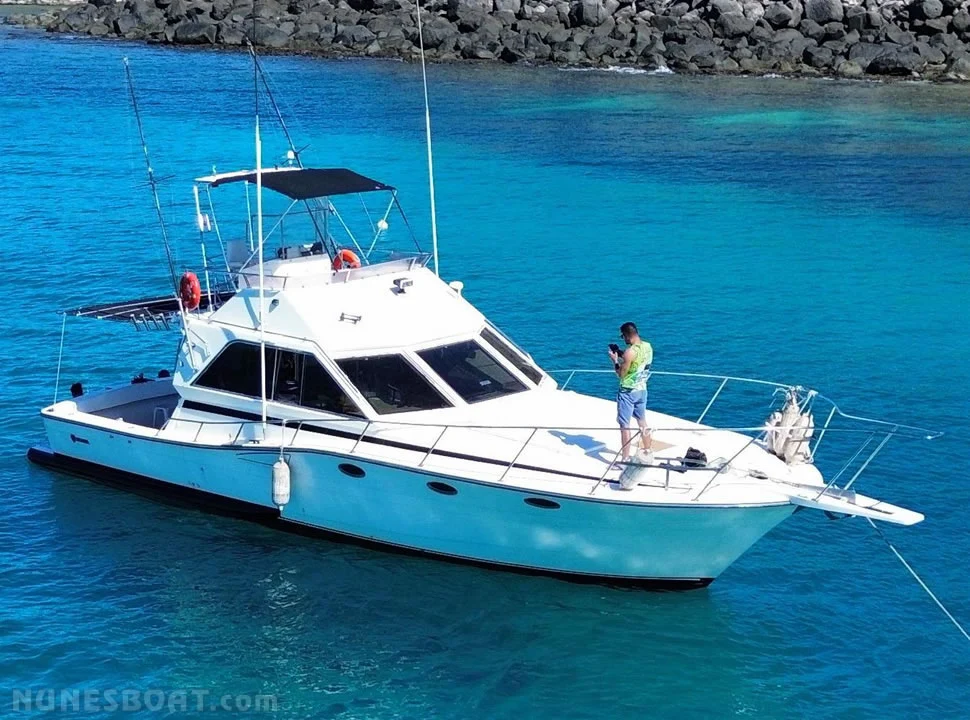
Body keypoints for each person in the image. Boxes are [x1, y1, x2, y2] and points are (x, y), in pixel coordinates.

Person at [609, 321, 653, 463]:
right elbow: (635, 360)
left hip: (627, 392)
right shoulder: (647, 347)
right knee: (642, 421)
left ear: (627, 335)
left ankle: (625, 458)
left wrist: (615, 360)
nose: (623, 339)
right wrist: (621, 353)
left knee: (625, 426)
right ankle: (647, 450)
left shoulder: (629, 352)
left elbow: (621, 374)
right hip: (642, 389)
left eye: (623, 336)